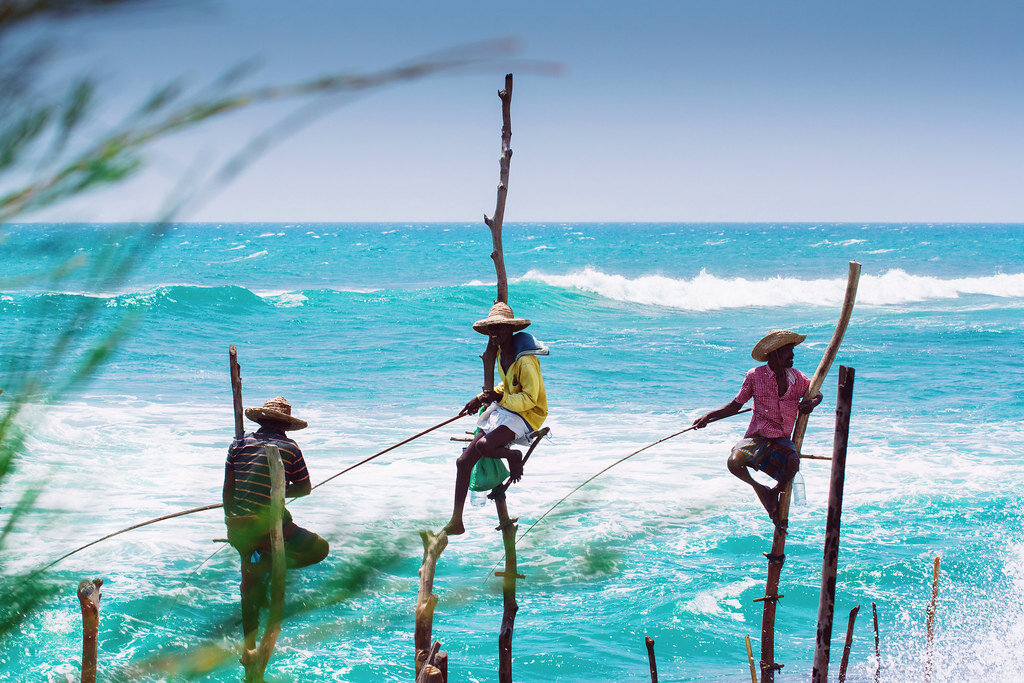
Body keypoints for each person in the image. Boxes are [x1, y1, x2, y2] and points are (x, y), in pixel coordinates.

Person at [223, 396, 329, 644]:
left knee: (248, 575)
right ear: (285, 425)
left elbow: (228, 490)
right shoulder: (290, 448)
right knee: (320, 548)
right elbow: (304, 488)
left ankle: (249, 638)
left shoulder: (238, 444)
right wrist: (279, 490)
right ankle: (268, 563)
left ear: (261, 421)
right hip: (269, 528)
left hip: (237, 527)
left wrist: (230, 522)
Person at [692, 330, 823, 523]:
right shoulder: (755, 376)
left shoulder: (796, 377)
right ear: (776, 353)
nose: (793, 355)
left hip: (780, 439)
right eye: (788, 350)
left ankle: (774, 492)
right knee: (734, 461)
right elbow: (735, 405)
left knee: (793, 463)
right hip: (758, 437)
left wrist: (811, 404)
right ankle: (760, 489)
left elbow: (817, 394)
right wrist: (708, 417)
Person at [445, 302, 548, 536]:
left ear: (510, 329)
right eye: (492, 330)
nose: (495, 335)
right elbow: (506, 386)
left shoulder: (525, 359)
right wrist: (481, 398)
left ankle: (513, 455)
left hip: (527, 414)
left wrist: (498, 399)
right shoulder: (502, 352)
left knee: (484, 445)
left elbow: (530, 398)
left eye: (500, 330)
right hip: (506, 409)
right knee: (463, 463)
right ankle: (456, 520)